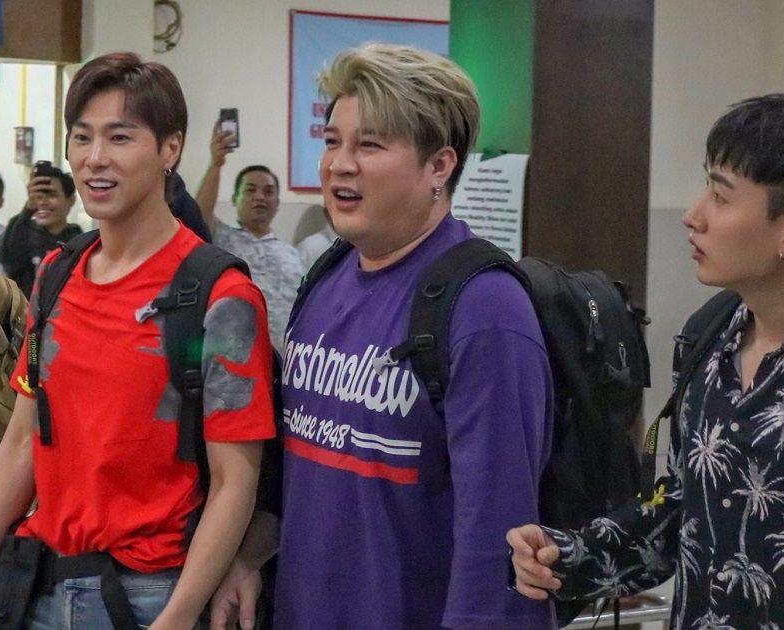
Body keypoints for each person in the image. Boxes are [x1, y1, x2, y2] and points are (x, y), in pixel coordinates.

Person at [509, 91, 784, 629]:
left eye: (720, 197)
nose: (693, 216)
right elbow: (681, 510)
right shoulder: (708, 338)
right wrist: (567, 555)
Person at [210, 43, 556, 630]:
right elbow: (305, 469)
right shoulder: (326, 275)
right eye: (332, 142)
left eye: (369, 145)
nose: (339, 165)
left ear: (438, 167)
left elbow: (498, 535)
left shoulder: (485, 307)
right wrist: (249, 555)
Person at [0, 51, 275, 630]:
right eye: (82, 137)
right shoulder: (56, 276)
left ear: (170, 149)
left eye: (120, 137)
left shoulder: (218, 297)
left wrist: (177, 617)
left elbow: (234, 482)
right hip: (38, 585)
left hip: (148, 596)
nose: (94, 158)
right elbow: (23, 437)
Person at [195, 129, 305, 351]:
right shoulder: (220, 239)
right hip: (235, 357)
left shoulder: (292, 255)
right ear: (235, 199)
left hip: (286, 360)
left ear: (278, 202)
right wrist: (216, 163)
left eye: (268, 191)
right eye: (250, 190)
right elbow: (199, 214)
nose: (260, 197)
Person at [0, 164, 83, 297]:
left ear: (71, 200)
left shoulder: (79, 242)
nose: (42, 202)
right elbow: (5, 256)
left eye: (51, 195)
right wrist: (28, 210)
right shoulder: (22, 233)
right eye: (38, 196)